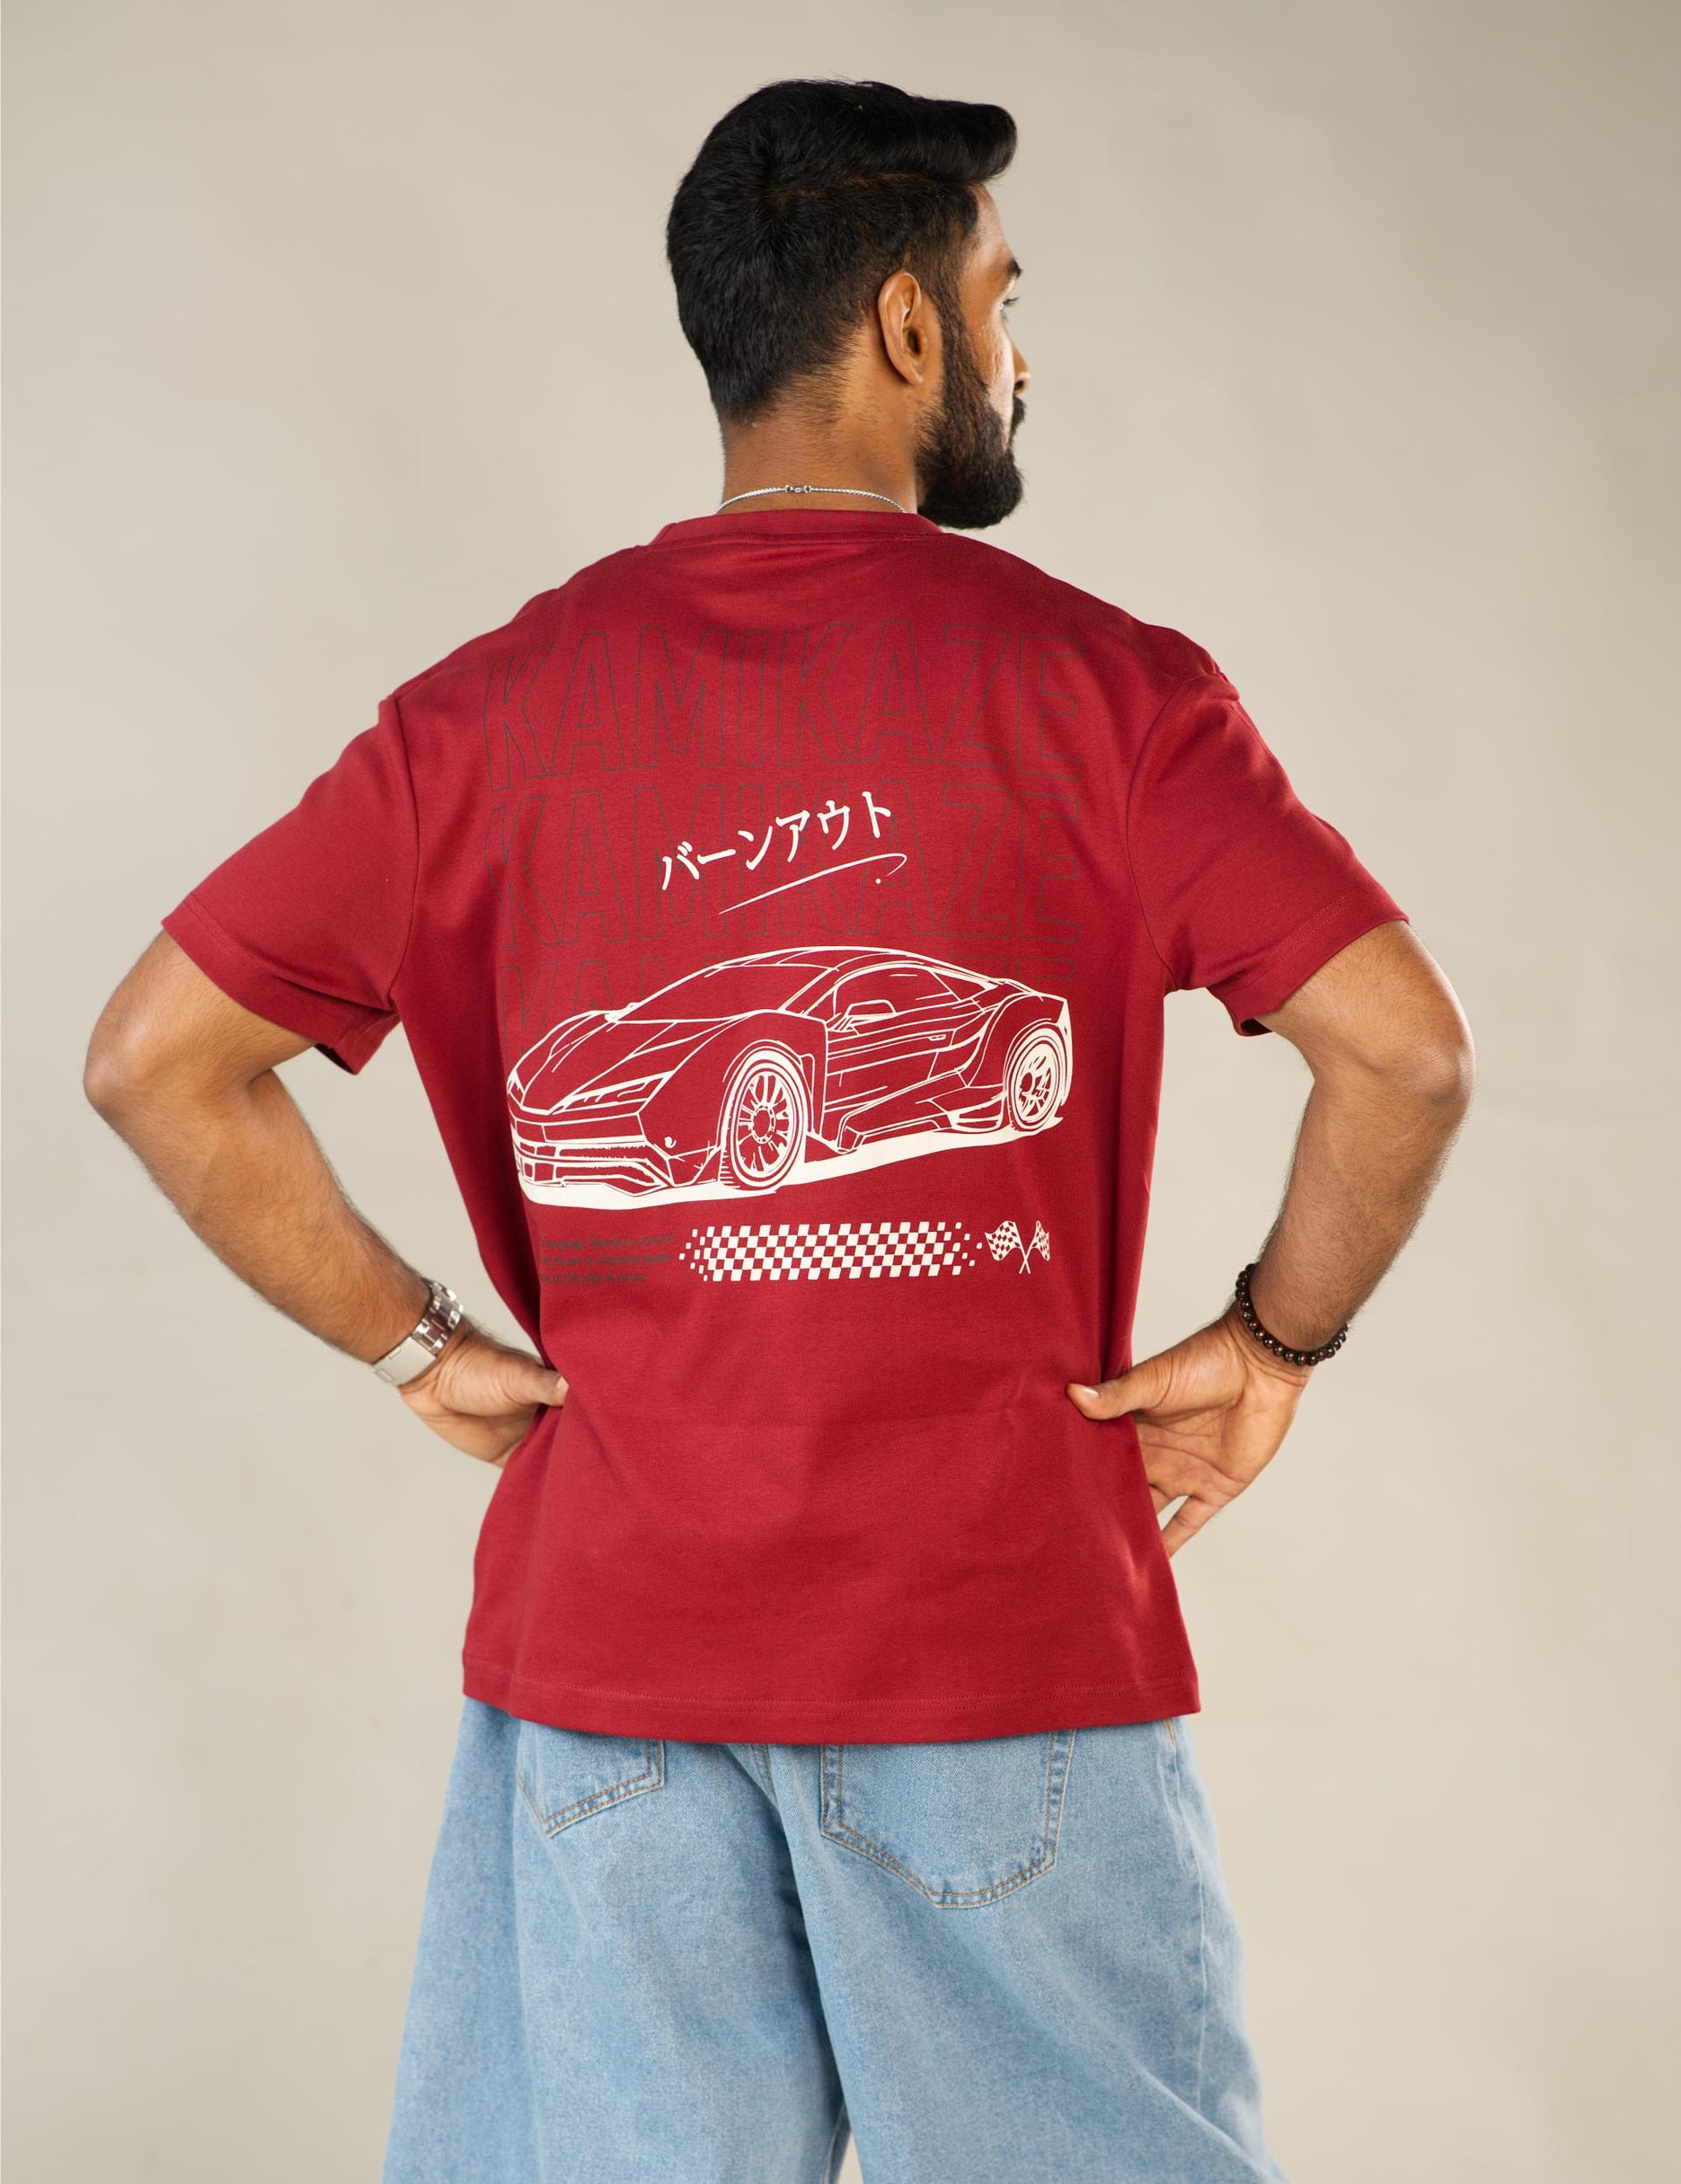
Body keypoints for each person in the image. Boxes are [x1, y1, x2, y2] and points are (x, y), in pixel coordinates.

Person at [84, 76, 1473, 2184]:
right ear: (909, 325)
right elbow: (1406, 1055)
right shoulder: (1109, 691)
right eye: (1003, 301)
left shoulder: (485, 714)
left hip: (610, 1645)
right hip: (998, 1634)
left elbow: (153, 1058)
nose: (1019, 354)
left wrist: (418, 1344)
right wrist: (1275, 1344)